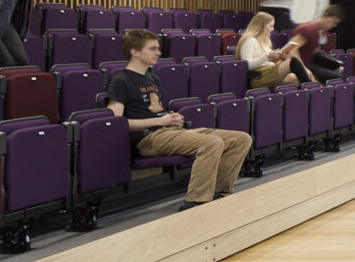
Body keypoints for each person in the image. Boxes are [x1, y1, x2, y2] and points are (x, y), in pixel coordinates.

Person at [107, 29, 254, 210]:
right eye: (152, 49)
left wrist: (172, 118)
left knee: (240, 139)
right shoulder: (121, 80)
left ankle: (218, 191)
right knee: (211, 143)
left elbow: (157, 110)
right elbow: (116, 123)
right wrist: (160, 122)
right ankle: (196, 201)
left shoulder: (151, 78)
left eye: (158, 48)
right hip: (148, 138)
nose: (158, 53)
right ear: (135, 51)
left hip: (171, 132)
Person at [271, 5, 346, 86]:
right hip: (299, 65)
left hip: (308, 63)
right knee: (337, 78)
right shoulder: (307, 29)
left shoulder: (317, 31)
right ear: (325, 15)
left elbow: (314, 53)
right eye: (333, 22)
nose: (334, 26)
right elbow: (291, 49)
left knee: (338, 73)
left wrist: (334, 65)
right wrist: (304, 69)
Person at [236, 11, 284, 89]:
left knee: (293, 78)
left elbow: (266, 62)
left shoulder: (266, 40)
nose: (273, 29)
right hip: (258, 76)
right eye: (271, 26)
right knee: (291, 62)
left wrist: (278, 58)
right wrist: (267, 57)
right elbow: (246, 66)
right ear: (261, 26)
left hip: (267, 71)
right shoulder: (249, 40)